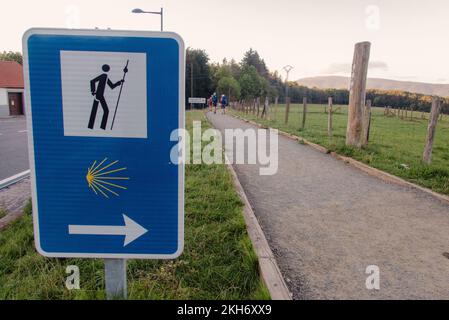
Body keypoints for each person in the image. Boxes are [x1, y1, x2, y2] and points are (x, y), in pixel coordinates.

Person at [88, 64, 124, 130]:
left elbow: (112, 86)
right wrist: (93, 91)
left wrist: (119, 82)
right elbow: (92, 81)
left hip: (100, 95)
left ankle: (94, 127)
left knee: (96, 111)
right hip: (99, 95)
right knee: (105, 111)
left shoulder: (105, 76)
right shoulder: (103, 76)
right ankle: (101, 127)